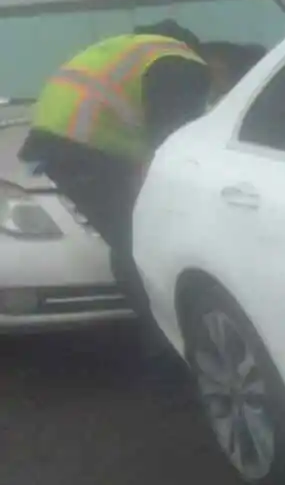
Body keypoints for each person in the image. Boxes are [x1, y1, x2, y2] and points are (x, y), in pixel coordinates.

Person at [20, 20, 254, 347]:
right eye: (226, 89)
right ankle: (162, 342)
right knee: (138, 241)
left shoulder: (144, 51)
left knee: (131, 236)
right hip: (86, 146)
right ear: (222, 68)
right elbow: (172, 144)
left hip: (60, 138)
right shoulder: (185, 66)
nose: (217, 97)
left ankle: (158, 335)